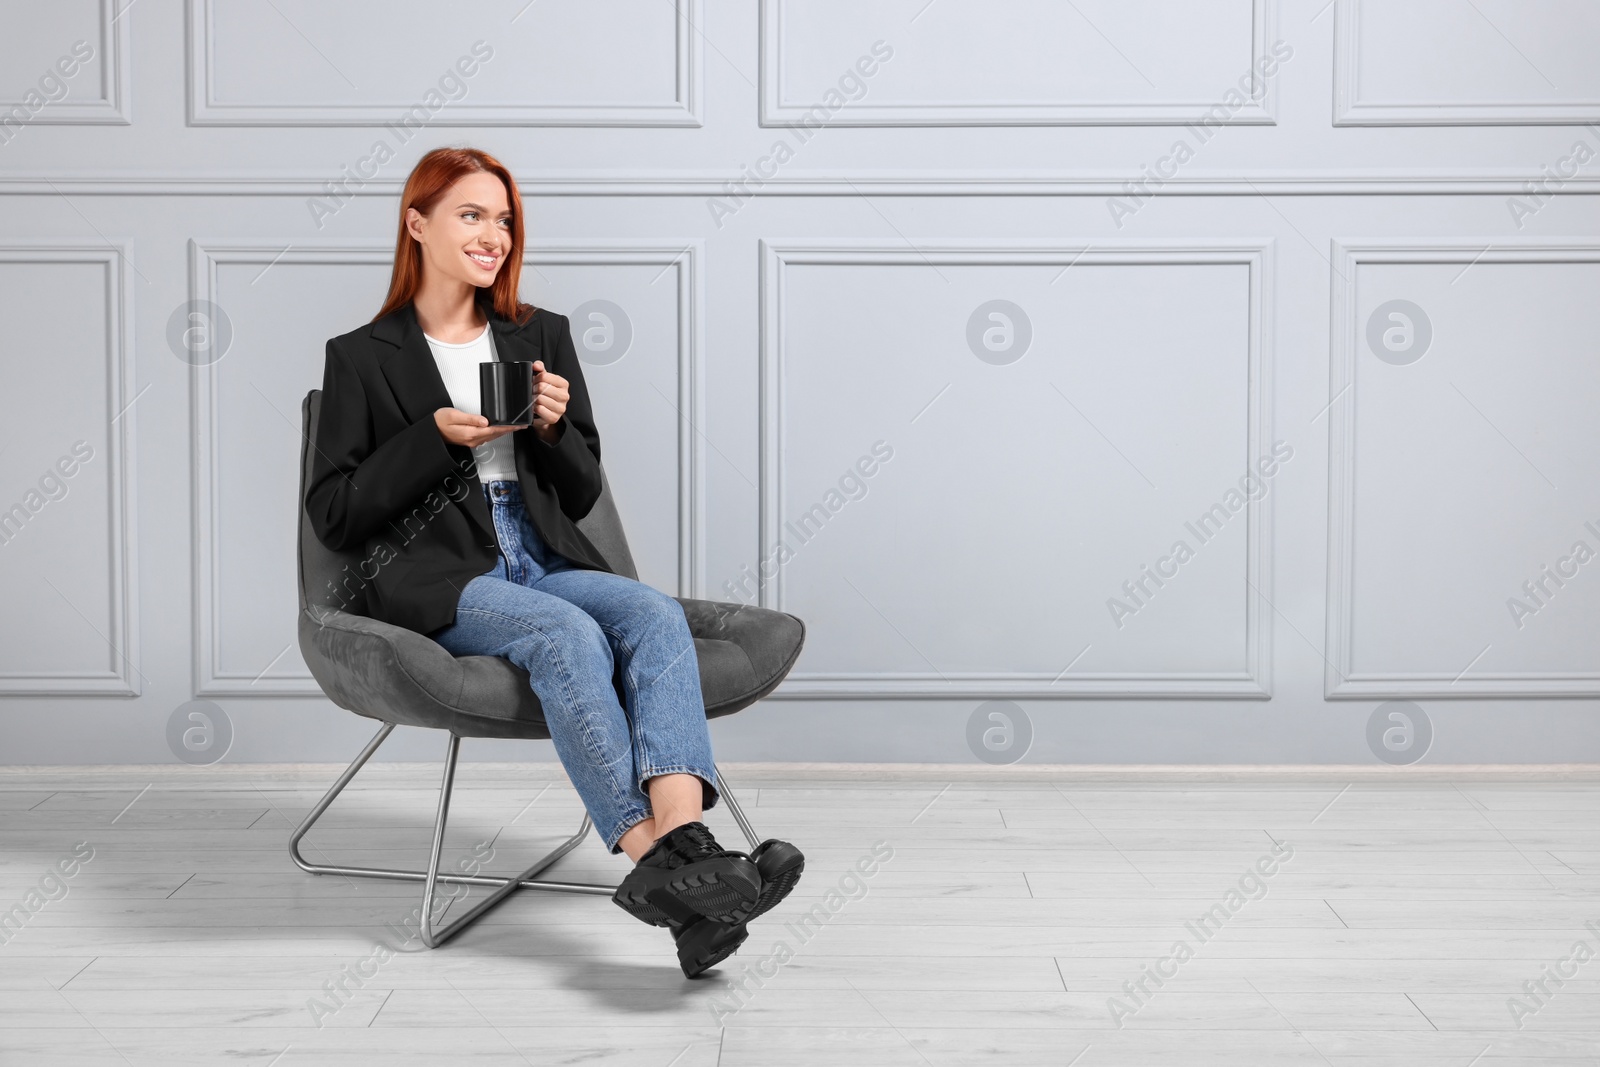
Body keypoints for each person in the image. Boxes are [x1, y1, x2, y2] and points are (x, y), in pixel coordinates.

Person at [304, 146, 802, 977]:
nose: (494, 233)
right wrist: (433, 437)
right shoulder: (361, 355)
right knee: (568, 635)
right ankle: (677, 866)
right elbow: (335, 512)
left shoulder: (542, 335)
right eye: (471, 214)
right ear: (417, 223)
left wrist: (552, 428)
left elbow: (579, 492)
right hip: (448, 579)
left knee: (650, 612)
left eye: (503, 218)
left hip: (539, 552)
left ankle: (686, 856)